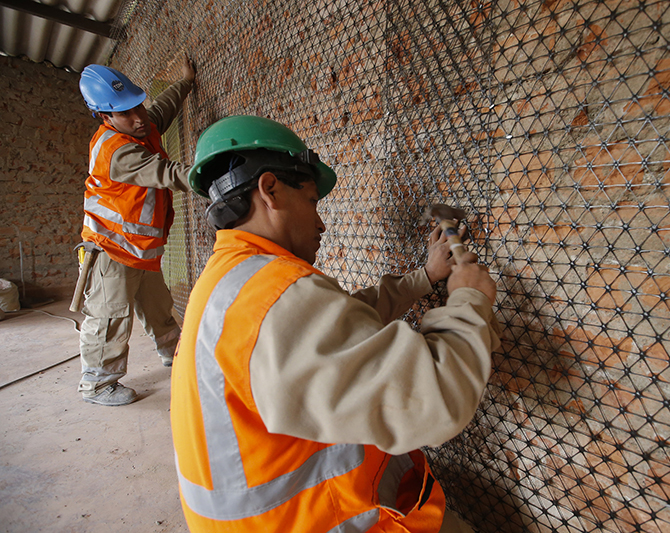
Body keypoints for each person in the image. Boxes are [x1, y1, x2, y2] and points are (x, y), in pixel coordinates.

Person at [170, 115, 501, 532]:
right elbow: (434, 401)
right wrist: (469, 298)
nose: (322, 223)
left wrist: (426, 277)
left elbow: (340, 325)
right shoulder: (272, 296)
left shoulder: (230, 281)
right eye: (312, 201)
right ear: (270, 190)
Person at [76, 56, 197, 406]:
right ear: (105, 116)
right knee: (110, 315)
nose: (139, 117)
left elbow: (162, 109)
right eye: (126, 113)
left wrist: (186, 82)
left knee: (158, 306)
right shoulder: (115, 151)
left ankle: (172, 352)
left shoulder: (139, 124)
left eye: (138, 106)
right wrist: (215, 176)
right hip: (111, 250)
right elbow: (167, 173)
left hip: (140, 250)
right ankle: (97, 384)